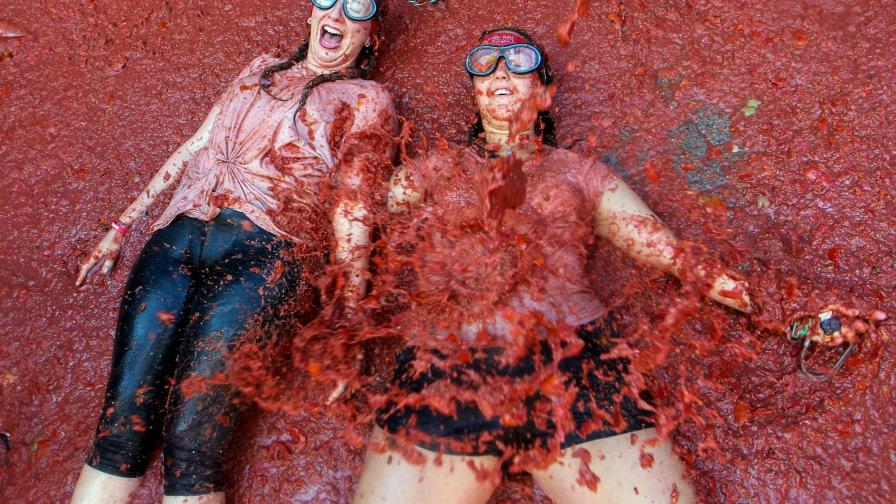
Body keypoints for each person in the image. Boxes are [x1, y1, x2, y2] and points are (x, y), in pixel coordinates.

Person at [350, 26, 753, 504]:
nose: (500, 69)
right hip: (444, 364)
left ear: (542, 90)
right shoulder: (435, 169)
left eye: (518, 60)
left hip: (573, 362)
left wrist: (781, 313)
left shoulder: (582, 174)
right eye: (485, 62)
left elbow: (675, 257)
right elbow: (358, 205)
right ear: (476, 90)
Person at [70, 1, 396, 502]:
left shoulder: (368, 98)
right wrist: (122, 224)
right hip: (175, 238)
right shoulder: (258, 67)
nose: (339, 13)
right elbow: (195, 144)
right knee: (118, 429)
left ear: (370, 36)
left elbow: (354, 208)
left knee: (193, 444)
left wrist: (348, 317)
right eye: (328, 1)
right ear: (311, 17)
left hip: (266, 257)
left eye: (359, 8)